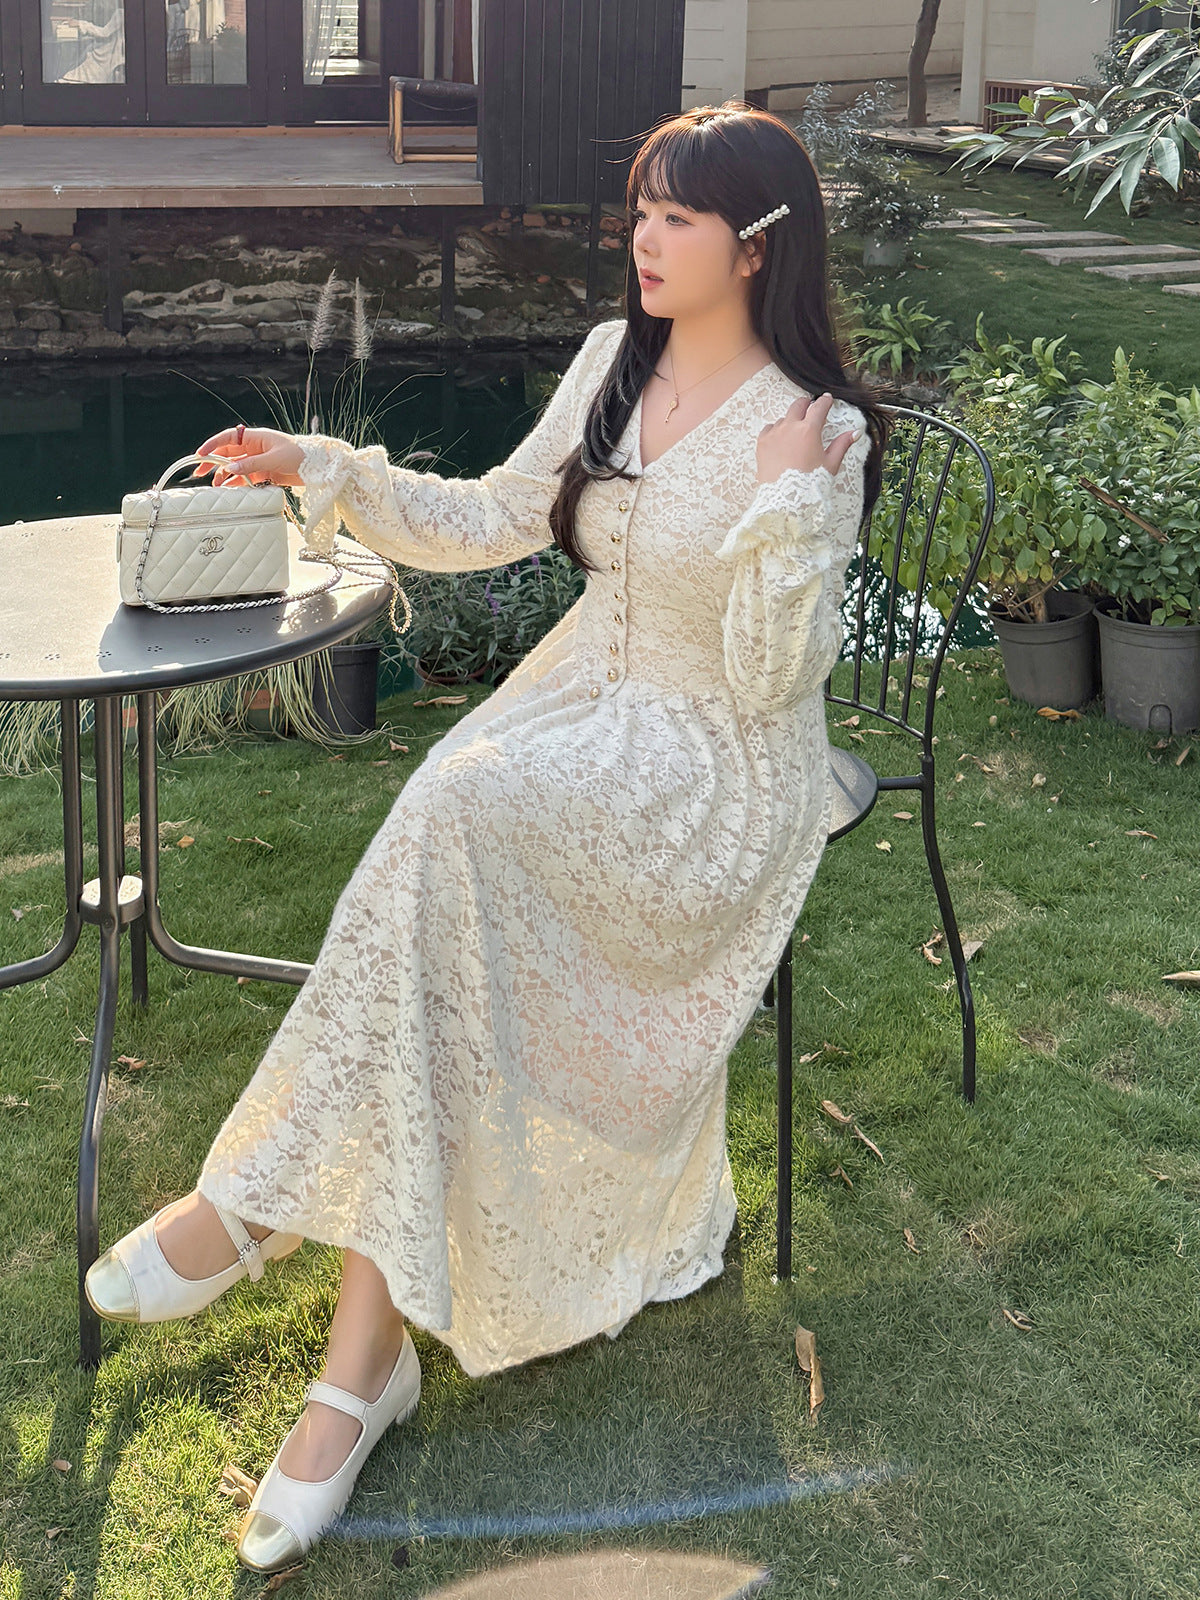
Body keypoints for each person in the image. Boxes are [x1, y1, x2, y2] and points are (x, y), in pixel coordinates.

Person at [85, 101, 889, 1575]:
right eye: (641, 209)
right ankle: (354, 1351)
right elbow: (493, 519)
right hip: (586, 707)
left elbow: (778, 680)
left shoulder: (817, 431)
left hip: (719, 768)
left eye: (680, 217)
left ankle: (256, 1218)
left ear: (757, 246)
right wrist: (322, 465)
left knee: (453, 811)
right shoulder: (613, 361)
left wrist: (786, 496)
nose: (645, 239)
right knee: (451, 835)